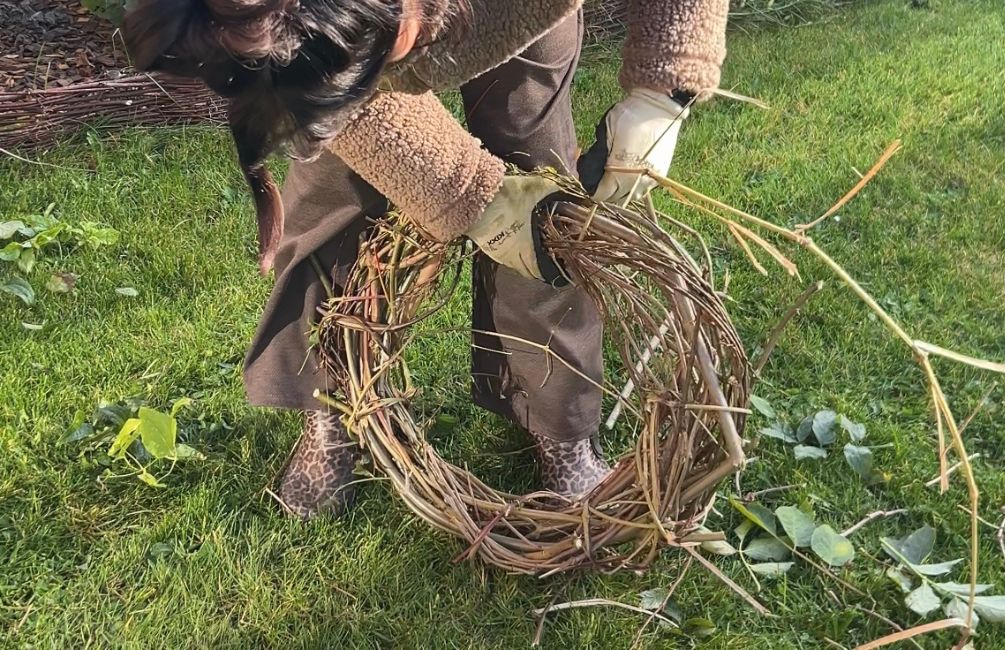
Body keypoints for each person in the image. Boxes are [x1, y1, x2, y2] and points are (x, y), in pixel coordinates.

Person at [123, 0, 728, 518]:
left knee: (542, 187)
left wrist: (665, 84)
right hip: (332, 32)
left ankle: (556, 420)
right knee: (336, 196)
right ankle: (334, 402)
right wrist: (467, 193)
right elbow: (313, 80)